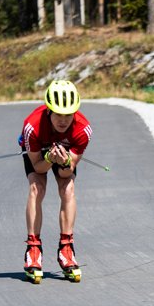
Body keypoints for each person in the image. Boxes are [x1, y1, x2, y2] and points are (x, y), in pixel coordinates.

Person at [20, 80, 92, 281]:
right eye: (58, 114)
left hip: (64, 153)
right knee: (37, 187)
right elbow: (37, 167)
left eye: (68, 115)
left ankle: (66, 248)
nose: (63, 120)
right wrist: (49, 158)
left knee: (67, 188)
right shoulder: (32, 125)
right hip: (39, 152)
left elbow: (65, 173)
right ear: (49, 111)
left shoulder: (82, 129)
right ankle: (33, 249)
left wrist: (64, 161)